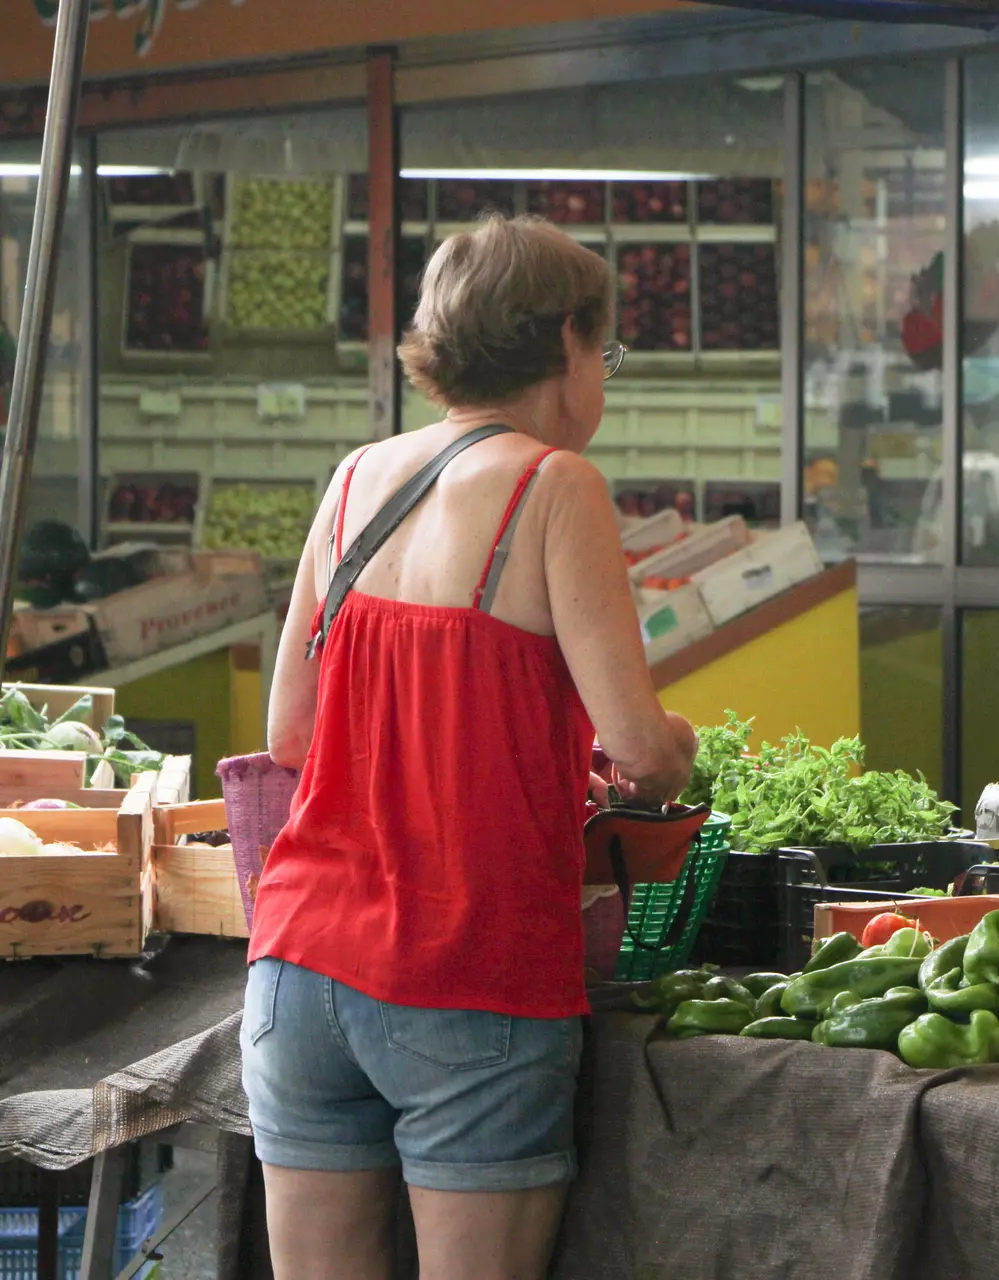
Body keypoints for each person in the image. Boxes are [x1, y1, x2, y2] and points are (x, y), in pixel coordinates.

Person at [242, 214, 696, 1280]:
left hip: (300, 967)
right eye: (607, 353)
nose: (603, 378)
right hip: (469, 968)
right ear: (567, 343)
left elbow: (291, 735)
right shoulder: (555, 486)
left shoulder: (355, 477)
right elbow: (640, 748)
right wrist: (670, 742)